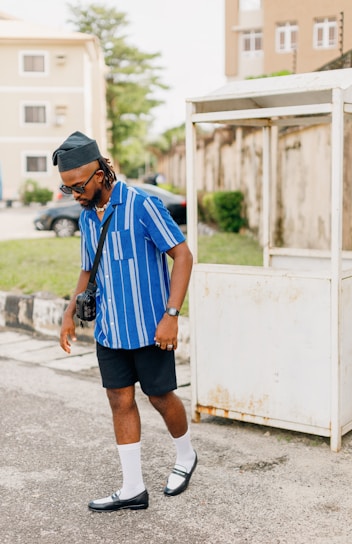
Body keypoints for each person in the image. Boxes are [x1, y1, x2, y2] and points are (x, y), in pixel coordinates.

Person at [53, 131, 197, 512]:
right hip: (110, 329)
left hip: (151, 327)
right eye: (67, 190)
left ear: (100, 174)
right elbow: (88, 269)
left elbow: (182, 257)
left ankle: (185, 455)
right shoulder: (86, 217)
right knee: (119, 400)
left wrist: (172, 316)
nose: (75, 195)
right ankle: (132, 487)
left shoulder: (142, 205)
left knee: (160, 397)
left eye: (78, 187)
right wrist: (69, 315)